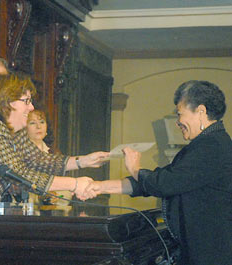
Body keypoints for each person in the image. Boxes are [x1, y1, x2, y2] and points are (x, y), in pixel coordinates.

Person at [84, 80, 232, 265]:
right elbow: (155, 181)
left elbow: (164, 184)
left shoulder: (212, 146)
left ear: (201, 111)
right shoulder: (209, 144)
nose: (178, 122)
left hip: (211, 253)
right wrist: (98, 187)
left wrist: (135, 168)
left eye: (180, 114)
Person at [0, 73, 109, 214]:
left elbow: (40, 161)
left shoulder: (15, 133)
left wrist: (83, 161)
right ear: (8, 101)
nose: (32, 107)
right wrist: (75, 184)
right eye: (26, 101)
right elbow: (19, 174)